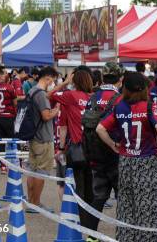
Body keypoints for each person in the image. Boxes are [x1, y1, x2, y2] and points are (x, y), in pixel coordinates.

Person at [96, 72, 157, 242]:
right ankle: (151, 238)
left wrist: (113, 144)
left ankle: (128, 238)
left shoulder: (119, 107)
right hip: (148, 162)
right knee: (151, 204)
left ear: (125, 88)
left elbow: (100, 128)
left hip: (126, 162)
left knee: (127, 204)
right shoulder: (149, 106)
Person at [84, 62, 125, 239]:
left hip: (94, 154)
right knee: (123, 198)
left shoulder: (93, 97)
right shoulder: (119, 99)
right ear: (121, 79)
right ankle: (122, 235)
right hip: (115, 153)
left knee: (98, 197)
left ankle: (91, 236)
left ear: (102, 78)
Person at [49, 70, 93, 228]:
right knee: (91, 186)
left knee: (77, 184)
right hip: (93, 148)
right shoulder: (93, 97)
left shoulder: (71, 95)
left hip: (76, 147)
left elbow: (50, 94)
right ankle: (90, 219)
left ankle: (79, 218)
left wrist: (65, 82)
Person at [26, 66, 60, 213]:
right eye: (53, 80)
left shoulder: (32, 91)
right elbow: (46, 116)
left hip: (33, 136)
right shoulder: (41, 95)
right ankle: (36, 203)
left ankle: (31, 201)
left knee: (33, 170)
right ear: (48, 78)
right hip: (43, 138)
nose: (53, 83)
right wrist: (56, 110)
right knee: (41, 172)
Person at [0, 65, 18, 173]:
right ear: (0, 76)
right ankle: (16, 164)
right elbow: (15, 103)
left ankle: (3, 166)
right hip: (8, 116)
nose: (6, 75)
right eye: (4, 73)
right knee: (12, 140)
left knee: (0, 141)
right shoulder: (9, 87)